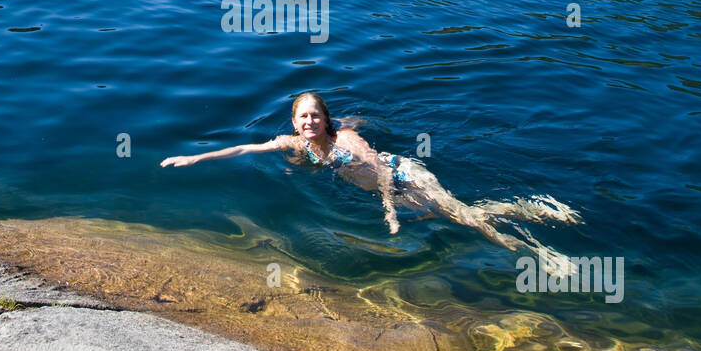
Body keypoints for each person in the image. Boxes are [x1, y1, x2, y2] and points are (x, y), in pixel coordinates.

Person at [161, 90, 580, 252]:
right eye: (302, 117)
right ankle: (536, 211)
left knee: (460, 215)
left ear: (327, 120)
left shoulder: (347, 142)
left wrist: (390, 210)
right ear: (294, 123)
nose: (309, 123)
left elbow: (380, 169)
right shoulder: (294, 144)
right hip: (385, 189)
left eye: (315, 117)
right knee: (456, 213)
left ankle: (536, 252)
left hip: (402, 175)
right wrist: (195, 157)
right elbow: (243, 147)